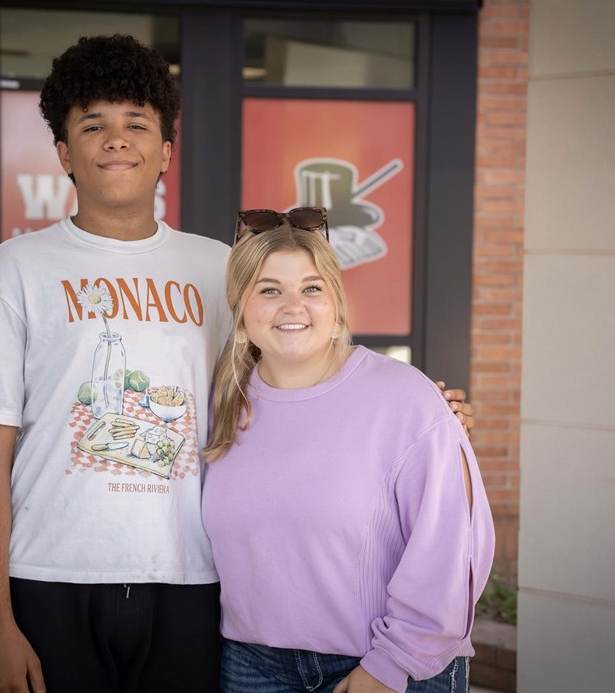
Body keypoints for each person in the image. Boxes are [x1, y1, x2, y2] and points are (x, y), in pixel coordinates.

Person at [0, 35, 475, 693]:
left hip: (192, 584)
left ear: (165, 151)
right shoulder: (11, 272)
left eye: (137, 123)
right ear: (62, 151)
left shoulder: (218, 266)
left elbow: (288, 377)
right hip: (49, 579)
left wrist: (418, 416)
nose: (115, 140)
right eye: (92, 125)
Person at [201, 209, 495, 693]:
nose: (292, 305)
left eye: (312, 288)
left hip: (386, 666)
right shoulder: (223, 403)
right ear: (240, 306)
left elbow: (454, 546)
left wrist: (390, 665)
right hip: (252, 667)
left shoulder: (405, 397)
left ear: (336, 302)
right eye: (269, 289)